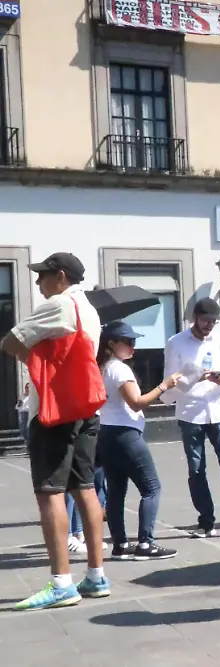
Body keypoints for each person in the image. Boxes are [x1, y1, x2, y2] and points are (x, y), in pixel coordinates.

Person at [2, 252, 108, 610]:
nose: (38, 283)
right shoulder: (90, 309)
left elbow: (10, 342)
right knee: (86, 488)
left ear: (60, 276)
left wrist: (31, 358)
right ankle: (96, 575)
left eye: (43, 276)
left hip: (55, 410)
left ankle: (61, 582)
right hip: (85, 407)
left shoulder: (59, 305)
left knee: (50, 492)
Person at [163, 297, 220, 538]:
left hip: (219, 410)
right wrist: (194, 379)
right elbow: (170, 383)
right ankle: (205, 520)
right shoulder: (176, 343)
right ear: (195, 318)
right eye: (206, 321)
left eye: (214, 322)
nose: (209, 326)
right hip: (190, 411)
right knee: (196, 469)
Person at [96, 321, 180, 561]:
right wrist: (164, 386)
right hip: (125, 434)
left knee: (116, 490)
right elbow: (137, 402)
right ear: (112, 344)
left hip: (106, 432)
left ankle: (120, 544)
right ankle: (146, 544)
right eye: (128, 342)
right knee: (151, 488)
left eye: (134, 342)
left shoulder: (100, 368)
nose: (133, 347)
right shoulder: (120, 369)